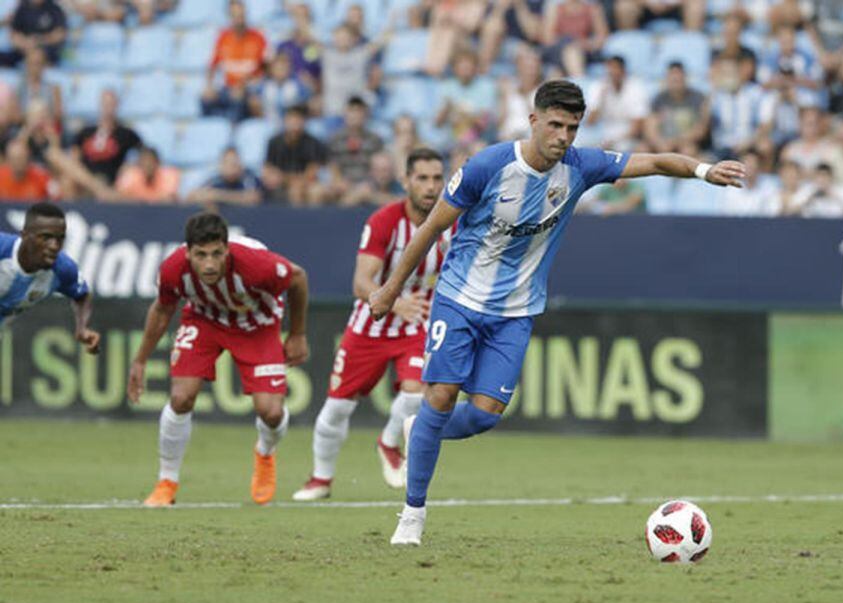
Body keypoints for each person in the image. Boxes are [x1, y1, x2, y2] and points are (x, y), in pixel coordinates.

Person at [365, 79, 745, 545]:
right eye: (555, 125)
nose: (563, 136)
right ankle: (412, 516)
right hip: (460, 298)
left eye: (572, 127)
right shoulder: (487, 166)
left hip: (517, 310)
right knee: (442, 395)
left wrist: (705, 170)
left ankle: (418, 429)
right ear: (533, 120)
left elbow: (655, 162)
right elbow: (430, 228)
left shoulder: (581, 167)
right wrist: (390, 288)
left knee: (486, 414)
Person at [292, 148, 451, 500]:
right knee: (337, 408)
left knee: (415, 394)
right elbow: (361, 284)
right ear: (405, 181)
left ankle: (389, 442)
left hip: (416, 324)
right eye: (422, 178)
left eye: (437, 178)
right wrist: (395, 301)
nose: (430, 186)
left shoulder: (451, 222)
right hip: (371, 325)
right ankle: (320, 479)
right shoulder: (384, 221)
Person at [128, 212, 310, 507]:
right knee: (181, 398)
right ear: (188, 252)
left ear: (227, 249)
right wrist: (140, 360)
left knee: (271, 413)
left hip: (257, 326)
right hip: (205, 321)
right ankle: (166, 481)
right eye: (200, 255)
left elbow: (298, 278)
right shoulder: (173, 269)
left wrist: (298, 334)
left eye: (216, 254)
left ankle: (265, 453)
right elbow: (162, 310)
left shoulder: (256, 265)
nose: (209, 263)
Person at [0, 202, 99, 358]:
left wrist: (82, 327)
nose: (54, 246)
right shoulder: (2, 249)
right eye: (45, 237)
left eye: (60, 239)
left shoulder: (63, 269)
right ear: (25, 235)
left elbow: (82, 296)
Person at [71, 89, 142, 186]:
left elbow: (143, 155)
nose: (108, 108)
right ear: (100, 105)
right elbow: (74, 157)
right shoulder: (85, 132)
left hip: (114, 182)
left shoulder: (126, 134)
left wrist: (128, 167)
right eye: (105, 103)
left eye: (111, 104)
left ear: (116, 105)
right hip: (86, 182)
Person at [262, 105, 327, 205]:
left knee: (315, 191)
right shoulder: (274, 142)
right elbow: (268, 170)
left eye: (299, 119)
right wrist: (282, 179)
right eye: (292, 118)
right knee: (294, 191)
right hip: (280, 186)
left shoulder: (313, 143)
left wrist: (285, 179)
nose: (295, 123)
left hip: (305, 184)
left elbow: (311, 174)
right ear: (285, 120)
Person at [186, 147, 264, 206]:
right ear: (221, 165)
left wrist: (217, 195)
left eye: (234, 163)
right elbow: (192, 197)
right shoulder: (216, 180)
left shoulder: (248, 177)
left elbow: (253, 198)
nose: (231, 167)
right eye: (227, 163)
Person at [115, 146, 180, 204]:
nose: (147, 165)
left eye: (150, 161)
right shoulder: (131, 175)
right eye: (144, 162)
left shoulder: (168, 175)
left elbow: (169, 200)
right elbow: (120, 197)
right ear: (139, 164)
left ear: (157, 163)